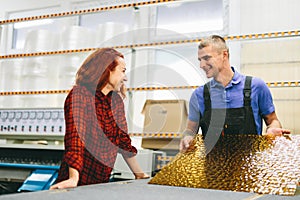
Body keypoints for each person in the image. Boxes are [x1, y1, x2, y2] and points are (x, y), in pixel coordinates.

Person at [50, 48, 149, 190]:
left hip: (101, 183)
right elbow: (76, 138)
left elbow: (122, 140)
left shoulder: (115, 101)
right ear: (107, 70)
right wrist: (73, 178)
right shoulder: (80, 95)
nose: (125, 77)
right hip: (77, 184)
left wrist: (139, 173)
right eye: (122, 71)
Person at [180, 35, 290, 152]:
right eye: (200, 60)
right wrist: (187, 138)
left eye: (207, 58)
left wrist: (272, 129)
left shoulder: (256, 86)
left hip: (250, 165)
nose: (201, 65)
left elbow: (273, 120)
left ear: (224, 55)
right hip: (213, 168)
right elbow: (190, 130)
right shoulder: (199, 95)